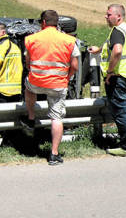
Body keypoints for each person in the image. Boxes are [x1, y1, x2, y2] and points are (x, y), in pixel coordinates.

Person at [21, 10, 79, 165]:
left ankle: (31, 117)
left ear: (43, 22)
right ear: (57, 23)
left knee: (29, 88)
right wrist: (67, 77)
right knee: (56, 118)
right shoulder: (68, 40)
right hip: (58, 84)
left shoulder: (31, 39)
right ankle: (54, 154)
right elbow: (74, 65)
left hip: (36, 82)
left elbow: (27, 62)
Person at [88, 4, 126, 157]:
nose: (106, 17)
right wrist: (99, 50)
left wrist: (110, 71)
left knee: (120, 112)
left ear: (118, 16)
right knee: (120, 110)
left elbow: (118, 50)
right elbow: (114, 46)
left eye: (109, 15)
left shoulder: (117, 31)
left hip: (119, 77)